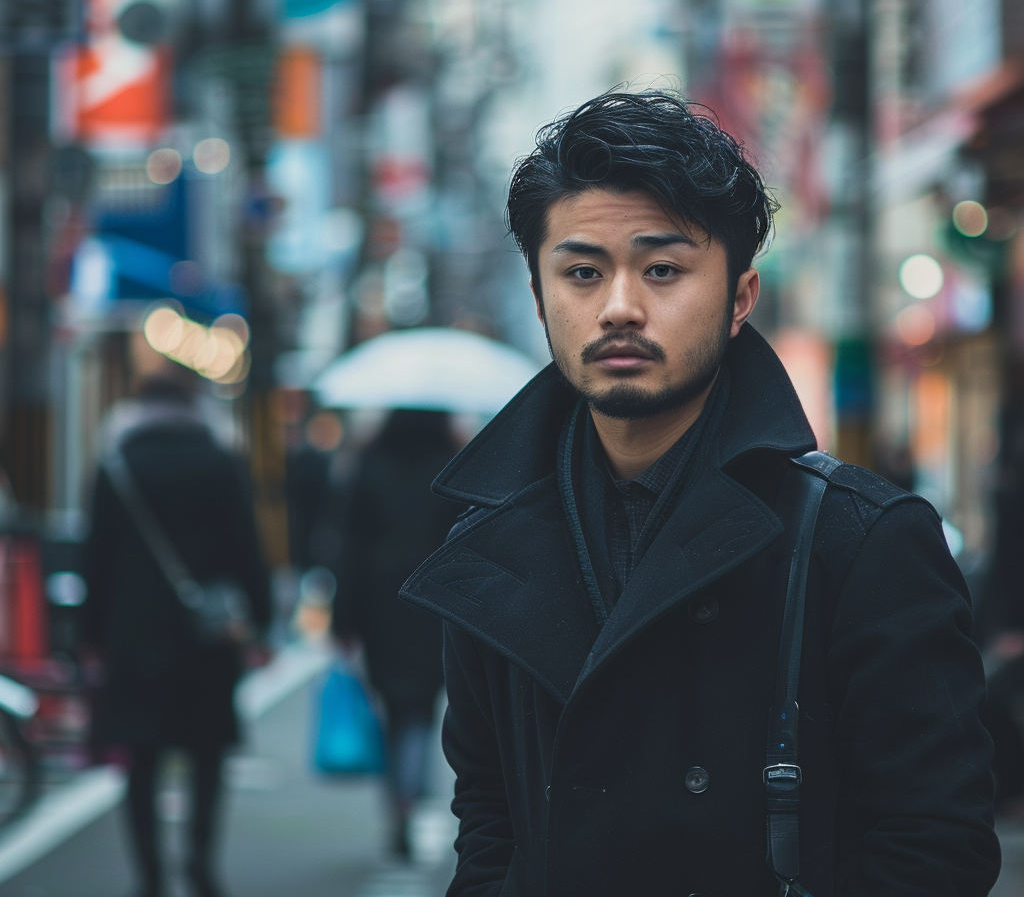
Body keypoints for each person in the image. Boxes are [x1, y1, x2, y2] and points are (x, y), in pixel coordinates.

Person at [400, 92, 1001, 896]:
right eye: (582, 272)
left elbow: (934, 847)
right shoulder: (487, 549)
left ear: (739, 300)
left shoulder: (858, 543)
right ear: (542, 300)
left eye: (663, 269)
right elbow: (490, 820)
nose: (618, 306)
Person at [82, 344, 272, 897]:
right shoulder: (220, 459)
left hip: (133, 638)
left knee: (140, 759)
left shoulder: (116, 464)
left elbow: (97, 558)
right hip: (207, 639)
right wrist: (260, 621)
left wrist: (90, 637)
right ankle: (200, 863)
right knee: (207, 754)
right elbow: (247, 549)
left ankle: (149, 875)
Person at [332, 409, 462, 858]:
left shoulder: (370, 462)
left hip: (379, 601)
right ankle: (411, 786)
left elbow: (348, 544)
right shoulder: (453, 462)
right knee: (423, 705)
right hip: (435, 601)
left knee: (390, 703)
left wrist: (342, 620)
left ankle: (397, 802)